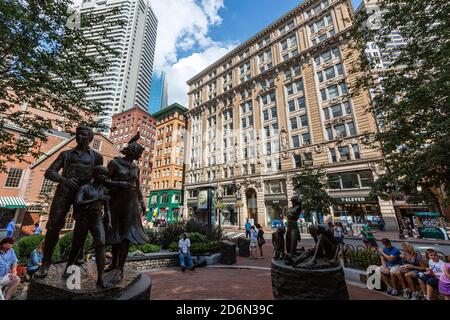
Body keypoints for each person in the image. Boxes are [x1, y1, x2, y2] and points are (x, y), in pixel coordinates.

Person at [35, 125, 103, 278]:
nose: (80, 137)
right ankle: (46, 263)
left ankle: (74, 261)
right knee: (53, 226)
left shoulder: (97, 157)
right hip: (64, 192)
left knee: (82, 228)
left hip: (84, 194)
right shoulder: (65, 154)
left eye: (84, 135)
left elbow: (99, 177)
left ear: (90, 138)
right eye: (78, 134)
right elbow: (49, 172)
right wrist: (63, 179)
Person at [105, 133, 149, 284]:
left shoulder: (135, 168)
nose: (140, 156)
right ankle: (113, 263)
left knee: (126, 235)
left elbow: (137, 187)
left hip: (131, 204)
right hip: (116, 201)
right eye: (139, 153)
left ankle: (120, 269)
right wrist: (119, 184)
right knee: (115, 233)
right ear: (133, 151)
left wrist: (142, 202)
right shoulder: (115, 163)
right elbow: (104, 180)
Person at [63, 166, 112, 288]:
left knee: (101, 244)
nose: (104, 177)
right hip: (83, 218)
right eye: (102, 174)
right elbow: (78, 203)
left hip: (97, 218)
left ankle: (100, 278)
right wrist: (96, 199)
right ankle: (68, 268)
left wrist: (109, 221)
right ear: (95, 174)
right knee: (77, 245)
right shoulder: (85, 188)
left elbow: (107, 207)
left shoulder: (104, 189)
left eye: (106, 175)